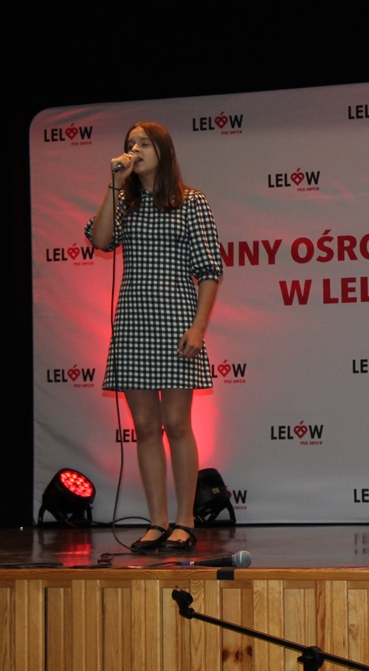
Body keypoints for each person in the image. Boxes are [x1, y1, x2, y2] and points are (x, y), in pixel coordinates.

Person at [85, 121, 223, 553]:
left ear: (163, 151)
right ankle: (157, 522)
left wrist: (199, 326)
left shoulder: (190, 201)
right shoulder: (124, 201)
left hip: (177, 320)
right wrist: (114, 184)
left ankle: (185, 522)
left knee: (177, 423)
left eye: (144, 143)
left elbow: (210, 270)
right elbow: (101, 240)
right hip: (134, 323)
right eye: (130, 144)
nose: (135, 149)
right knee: (145, 427)